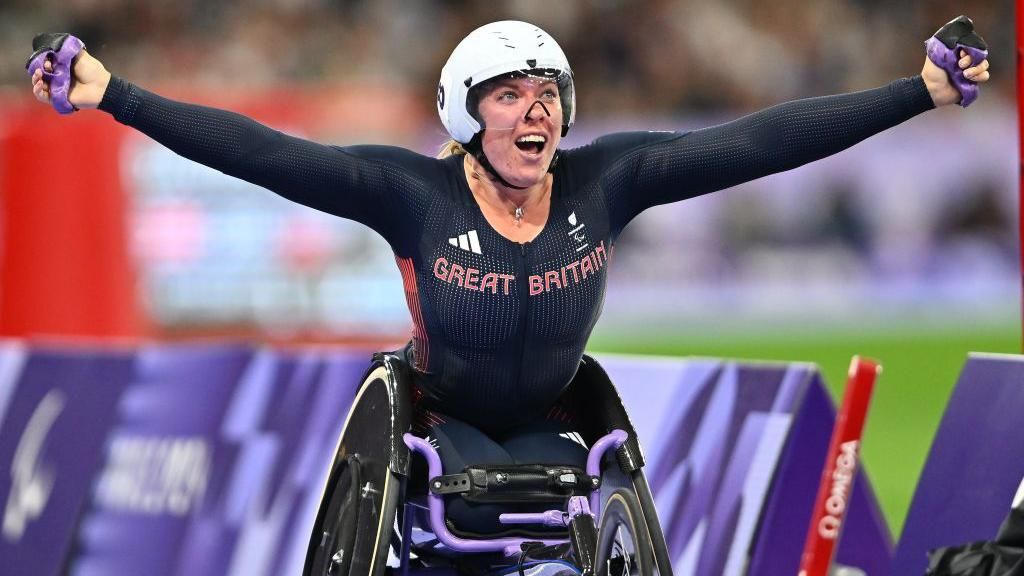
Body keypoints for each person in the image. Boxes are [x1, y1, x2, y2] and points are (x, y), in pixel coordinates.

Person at [29, 19, 990, 532]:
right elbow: (260, 152)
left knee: (576, 479)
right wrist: (117, 95)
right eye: (508, 96)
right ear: (462, 113)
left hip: (559, 422)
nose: (536, 112)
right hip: (433, 424)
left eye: (548, 95)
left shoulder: (607, 179)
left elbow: (756, 142)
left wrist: (921, 91)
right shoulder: (408, 193)